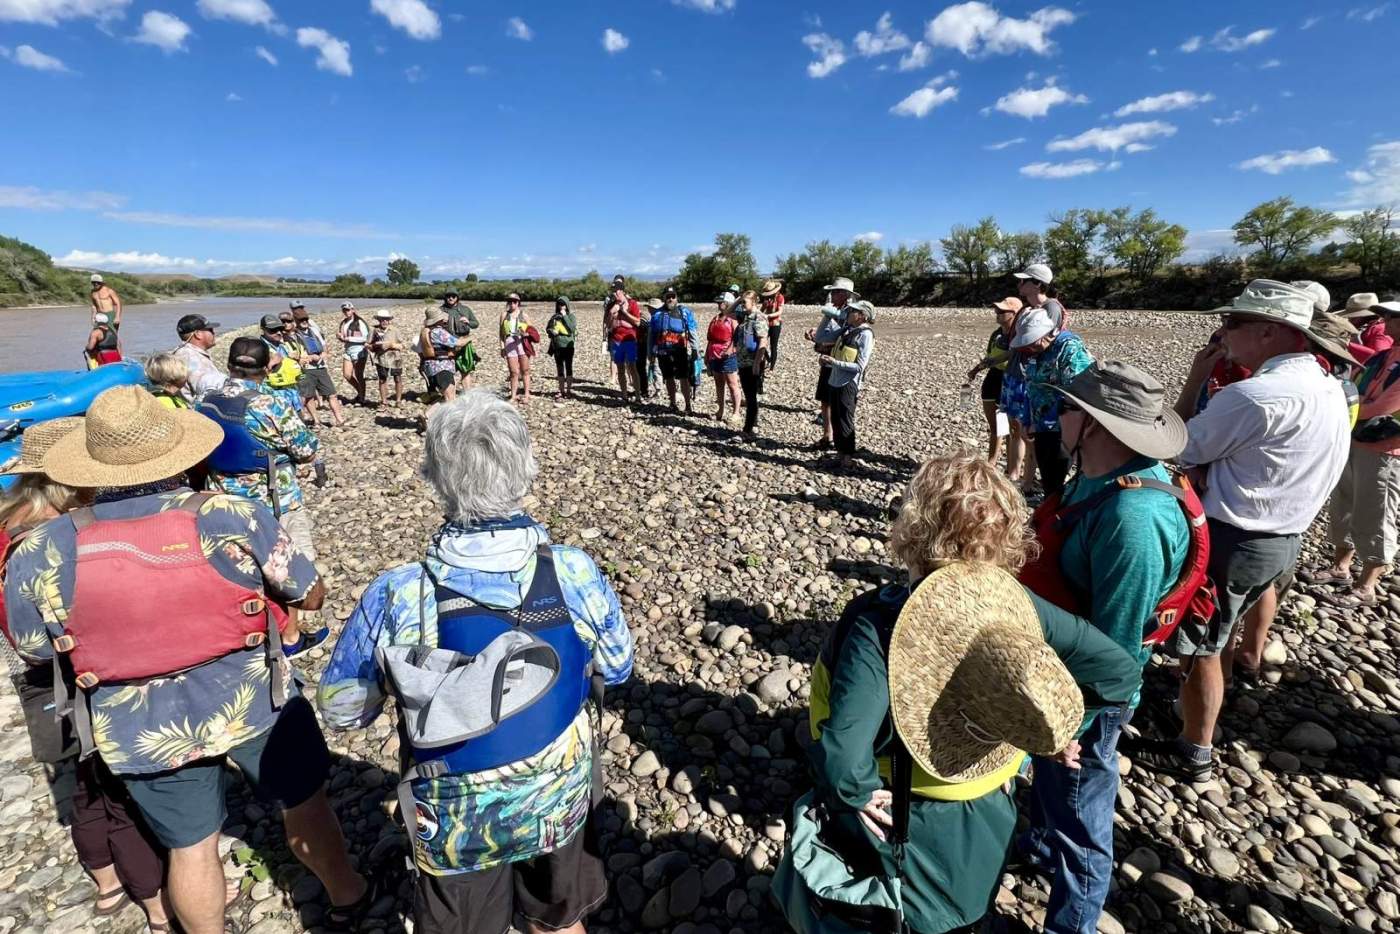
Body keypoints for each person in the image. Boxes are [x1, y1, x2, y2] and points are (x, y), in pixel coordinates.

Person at [4, 386, 377, 934]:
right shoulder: (229, 515)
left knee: (192, 846)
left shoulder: (41, 546)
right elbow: (308, 592)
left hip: (135, 722)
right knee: (304, 804)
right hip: (254, 698)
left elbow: (35, 647)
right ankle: (349, 894)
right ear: (178, 453)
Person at [317, 390, 634, 934]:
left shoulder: (399, 591)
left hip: (457, 814)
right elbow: (620, 666)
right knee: (558, 922)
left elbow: (345, 710)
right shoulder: (574, 571)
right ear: (526, 469)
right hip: (557, 792)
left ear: (435, 478)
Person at [799, 451, 1140, 934]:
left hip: (907, 816)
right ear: (1005, 538)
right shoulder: (1017, 608)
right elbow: (1118, 671)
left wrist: (855, 793)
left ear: (913, 528)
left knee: (902, 917)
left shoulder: (879, 625)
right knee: (967, 915)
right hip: (988, 809)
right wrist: (1054, 726)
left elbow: (841, 755)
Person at [1132, 280, 1352, 782]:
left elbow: (1174, 445)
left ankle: (1195, 749)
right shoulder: (1328, 387)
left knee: (1201, 645)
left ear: (1272, 332)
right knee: (1223, 631)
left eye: (1233, 322)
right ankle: (1208, 703)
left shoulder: (1255, 396)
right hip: (1284, 537)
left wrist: (1196, 376)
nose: (1221, 330)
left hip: (1234, 538)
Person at [1015, 362, 1191, 934]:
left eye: (1066, 408)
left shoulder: (1133, 519)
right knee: (1052, 788)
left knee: (1083, 813)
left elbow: (1116, 652)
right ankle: (1038, 848)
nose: (1055, 416)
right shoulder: (1096, 474)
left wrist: (1072, 723)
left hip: (1089, 689)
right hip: (1058, 665)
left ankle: (1074, 923)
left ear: (1095, 425)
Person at [1, 418, 173, 933]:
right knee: (120, 788)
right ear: (69, 481)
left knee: (80, 785)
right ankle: (157, 904)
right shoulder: (56, 536)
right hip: (77, 674)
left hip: (32, 679)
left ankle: (105, 885)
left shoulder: (8, 523)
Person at [200, 340, 324, 586]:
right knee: (292, 570)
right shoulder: (271, 404)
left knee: (237, 570)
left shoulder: (206, 400)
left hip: (221, 498)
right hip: (274, 499)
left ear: (228, 365)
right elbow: (307, 451)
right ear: (267, 368)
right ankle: (291, 618)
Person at [1314, 299, 1400, 609]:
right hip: (1356, 440)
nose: (1386, 323)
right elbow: (1357, 390)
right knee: (1345, 504)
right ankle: (1341, 566)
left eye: (1392, 317)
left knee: (1376, 512)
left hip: (1386, 451)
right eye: (1387, 316)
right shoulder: (1384, 356)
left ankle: (1368, 584)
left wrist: (1344, 406)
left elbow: (1381, 407)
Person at [1003, 308, 1093, 499]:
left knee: (1056, 475)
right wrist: (1027, 420)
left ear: (1046, 334)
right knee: (1048, 475)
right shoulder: (1035, 352)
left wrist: (1046, 420)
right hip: (1041, 426)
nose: (1028, 348)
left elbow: (1075, 395)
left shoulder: (1069, 349)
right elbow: (1031, 386)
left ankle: (1054, 511)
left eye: (1031, 342)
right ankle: (1051, 505)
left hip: (1065, 426)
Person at [820, 299, 876, 468]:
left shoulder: (865, 335)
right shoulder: (847, 329)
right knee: (835, 419)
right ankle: (840, 452)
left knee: (845, 419)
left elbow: (860, 366)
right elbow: (821, 337)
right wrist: (828, 362)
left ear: (862, 316)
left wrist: (834, 362)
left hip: (848, 384)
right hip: (835, 381)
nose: (849, 313)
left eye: (853, 311)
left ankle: (848, 456)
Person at [967, 297, 1021, 465]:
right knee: (996, 427)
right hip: (993, 379)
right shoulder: (996, 334)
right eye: (996, 310)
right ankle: (992, 462)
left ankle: (1012, 468)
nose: (997, 313)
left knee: (1012, 429)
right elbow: (990, 357)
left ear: (1015, 314)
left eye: (1002, 311)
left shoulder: (1021, 335)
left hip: (1010, 381)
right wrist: (976, 369)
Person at [806, 277, 856, 450]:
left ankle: (839, 441)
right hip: (828, 361)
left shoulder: (851, 313)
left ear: (844, 294)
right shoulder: (837, 310)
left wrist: (823, 343)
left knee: (837, 403)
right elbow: (830, 332)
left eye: (835, 292)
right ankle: (827, 436)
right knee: (825, 400)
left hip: (839, 364)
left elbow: (848, 339)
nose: (832, 295)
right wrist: (816, 333)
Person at [291, 303, 345, 427]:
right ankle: (316, 421)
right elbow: (294, 354)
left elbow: (324, 345)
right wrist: (309, 357)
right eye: (301, 320)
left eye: (306, 319)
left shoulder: (314, 330)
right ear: (296, 321)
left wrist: (325, 353)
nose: (304, 322)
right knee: (309, 396)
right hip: (306, 369)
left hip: (320, 366)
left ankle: (339, 419)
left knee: (331, 393)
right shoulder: (294, 335)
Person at [651, 286, 698, 414]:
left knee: (684, 378)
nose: (671, 299)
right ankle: (672, 403)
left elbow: (692, 331)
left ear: (676, 298)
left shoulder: (685, 312)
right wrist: (651, 353)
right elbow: (653, 335)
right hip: (663, 352)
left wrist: (695, 350)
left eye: (673, 296)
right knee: (669, 377)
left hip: (680, 351)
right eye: (668, 296)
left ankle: (688, 405)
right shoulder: (657, 315)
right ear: (664, 298)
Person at [733, 290, 770, 437]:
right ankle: (752, 424)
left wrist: (757, 363)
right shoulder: (744, 316)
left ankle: (748, 428)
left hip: (752, 362)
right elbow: (728, 312)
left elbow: (763, 340)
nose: (742, 305)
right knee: (748, 394)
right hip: (742, 362)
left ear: (754, 302)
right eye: (742, 302)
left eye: (745, 302)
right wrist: (738, 300)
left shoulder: (759, 318)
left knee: (751, 396)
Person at [172, 314, 228, 404]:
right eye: (210, 330)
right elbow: (209, 392)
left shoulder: (183, 352)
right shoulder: (192, 357)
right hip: (196, 414)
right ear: (198, 334)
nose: (214, 333)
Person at [259, 314, 306, 418]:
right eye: (273, 330)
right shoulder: (259, 348)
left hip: (292, 393)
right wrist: (271, 364)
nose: (278, 332)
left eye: (280, 329)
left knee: (299, 423)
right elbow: (253, 376)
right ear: (263, 330)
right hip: (275, 397)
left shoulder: (281, 345)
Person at [705, 293, 741, 424]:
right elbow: (710, 339)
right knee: (719, 384)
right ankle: (721, 410)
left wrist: (731, 349)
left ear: (728, 303)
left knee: (732, 384)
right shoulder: (715, 318)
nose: (719, 304)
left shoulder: (733, 319)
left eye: (721, 302)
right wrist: (707, 356)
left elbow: (736, 338)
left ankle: (736, 412)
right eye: (718, 302)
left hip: (728, 356)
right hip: (714, 355)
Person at [606, 283, 642, 404]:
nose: (614, 293)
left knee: (632, 367)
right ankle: (624, 395)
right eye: (613, 291)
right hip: (616, 340)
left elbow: (637, 322)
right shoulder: (611, 305)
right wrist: (612, 314)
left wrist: (624, 312)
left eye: (616, 291)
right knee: (620, 368)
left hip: (629, 340)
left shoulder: (632, 303)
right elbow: (608, 326)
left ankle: (638, 396)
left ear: (622, 291)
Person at [419, 307, 461, 408]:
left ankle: (428, 415)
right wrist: (469, 338)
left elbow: (419, 350)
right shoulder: (438, 332)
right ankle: (430, 417)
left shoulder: (425, 331)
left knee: (448, 396)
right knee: (450, 397)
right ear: (438, 320)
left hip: (431, 367)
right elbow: (458, 342)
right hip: (442, 367)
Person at [500, 293, 534, 405]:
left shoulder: (525, 315)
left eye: (514, 301)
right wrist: (502, 347)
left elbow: (532, 331)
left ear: (518, 302)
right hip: (510, 343)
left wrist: (526, 334)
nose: (512, 303)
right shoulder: (504, 315)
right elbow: (501, 334)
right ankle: (513, 396)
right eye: (509, 301)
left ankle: (527, 395)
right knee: (513, 371)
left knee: (525, 370)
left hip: (522, 343)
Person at [1342, 291, 1393, 362]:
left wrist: (1344, 344)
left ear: (1361, 317)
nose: (1349, 320)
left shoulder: (1380, 329)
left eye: (1352, 317)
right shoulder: (1366, 328)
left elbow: (1379, 357)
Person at [1015, 263, 1066, 330]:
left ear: (1037, 284)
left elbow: (1046, 338)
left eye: (1023, 281)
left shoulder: (1051, 308)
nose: (1019, 284)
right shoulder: (1028, 307)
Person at [369, 310, 405, 407]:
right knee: (382, 379)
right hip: (381, 359)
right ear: (378, 320)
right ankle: (384, 401)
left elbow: (402, 346)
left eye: (386, 319)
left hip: (395, 358)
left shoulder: (395, 330)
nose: (384, 321)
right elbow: (368, 345)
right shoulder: (374, 330)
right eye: (382, 319)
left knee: (397, 378)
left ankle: (398, 401)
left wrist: (391, 345)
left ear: (389, 320)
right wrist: (375, 346)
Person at [338, 302, 370, 405]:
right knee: (347, 375)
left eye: (348, 310)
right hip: (348, 350)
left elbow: (366, 338)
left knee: (359, 375)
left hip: (359, 351)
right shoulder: (343, 323)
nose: (346, 312)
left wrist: (349, 338)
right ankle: (360, 392)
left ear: (353, 310)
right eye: (344, 310)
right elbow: (343, 335)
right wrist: (339, 336)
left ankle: (362, 397)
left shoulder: (360, 322)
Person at [547, 296, 578, 400]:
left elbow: (572, 328)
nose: (561, 306)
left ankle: (568, 390)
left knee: (568, 367)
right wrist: (552, 331)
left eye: (563, 304)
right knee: (560, 369)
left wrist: (565, 316)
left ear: (567, 305)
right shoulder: (554, 317)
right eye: (560, 304)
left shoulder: (571, 317)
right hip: (557, 346)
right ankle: (561, 390)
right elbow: (548, 328)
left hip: (568, 346)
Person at [761, 278, 785, 374]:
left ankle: (772, 367)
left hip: (775, 324)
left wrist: (768, 315)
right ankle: (768, 359)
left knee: (773, 346)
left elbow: (779, 311)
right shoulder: (767, 299)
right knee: (761, 343)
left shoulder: (780, 297)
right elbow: (762, 309)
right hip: (766, 324)